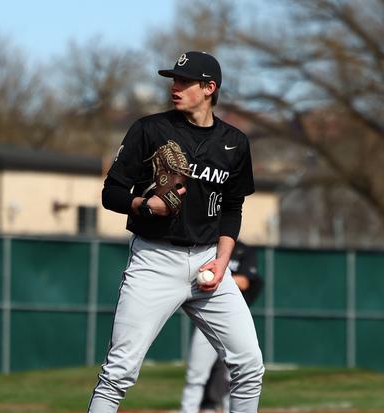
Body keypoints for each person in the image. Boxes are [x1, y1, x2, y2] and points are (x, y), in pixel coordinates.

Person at [88, 51, 264, 413]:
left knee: (249, 366)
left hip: (206, 262)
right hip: (155, 259)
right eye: (173, 79)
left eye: (185, 81)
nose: (175, 86)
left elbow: (233, 208)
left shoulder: (234, 142)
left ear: (209, 88)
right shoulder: (150, 129)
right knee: (118, 372)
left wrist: (222, 262)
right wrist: (143, 204)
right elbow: (111, 193)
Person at [181, 241, 263, 413]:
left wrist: (219, 276)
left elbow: (245, 281)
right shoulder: (204, 246)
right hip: (204, 318)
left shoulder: (242, 250)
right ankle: (187, 409)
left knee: (237, 374)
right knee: (196, 373)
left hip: (231, 320)